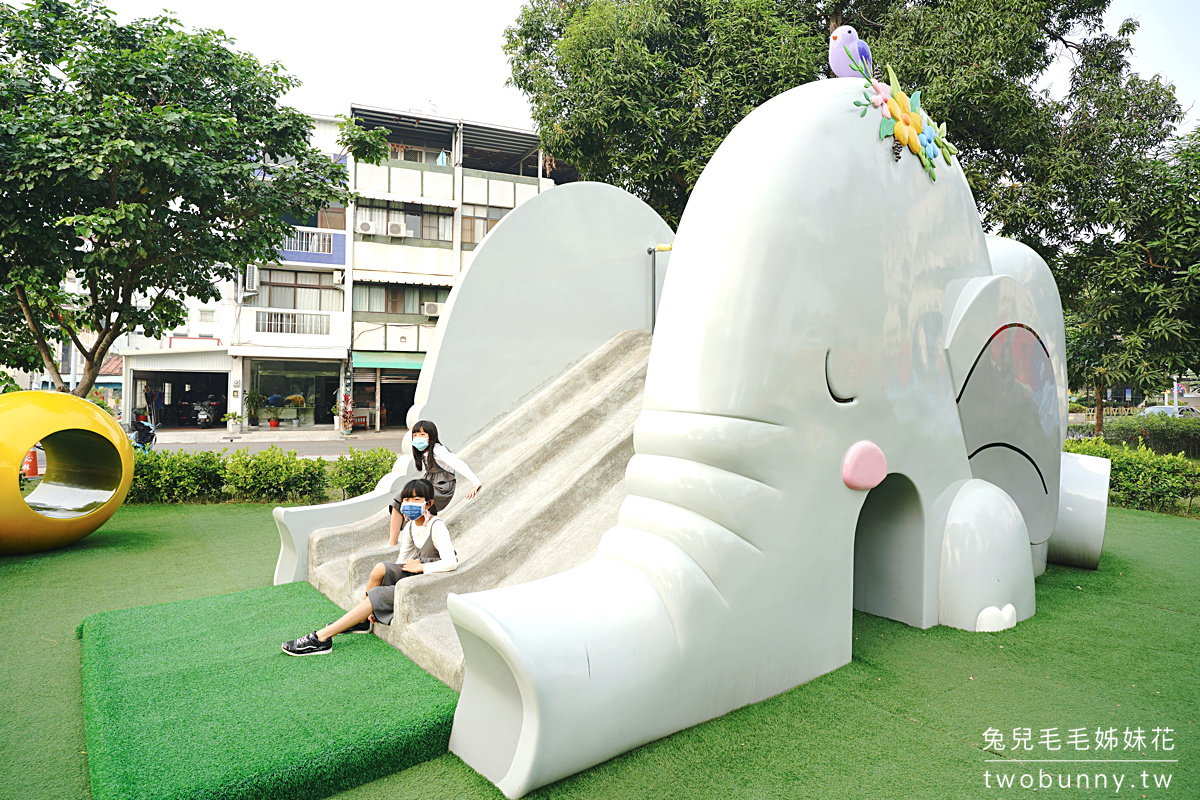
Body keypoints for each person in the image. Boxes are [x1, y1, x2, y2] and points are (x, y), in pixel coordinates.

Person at [282, 479, 456, 656]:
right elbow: (401, 560)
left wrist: (421, 568)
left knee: (378, 595)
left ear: (429, 503)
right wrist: (398, 574)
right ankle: (363, 619)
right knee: (380, 568)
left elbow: (451, 563)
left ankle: (321, 639)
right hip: (414, 572)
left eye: (417, 500)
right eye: (406, 500)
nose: (410, 504)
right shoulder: (411, 525)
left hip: (432, 580)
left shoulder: (436, 526)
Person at [409, 419, 481, 513]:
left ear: (431, 436)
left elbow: (457, 463)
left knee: (415, 497)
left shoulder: (438, 450)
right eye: (414, 435)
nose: (417, 438)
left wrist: (475, 482)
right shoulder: (423, 452)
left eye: (422, 435)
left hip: (442, 487)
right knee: (403, 497)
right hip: (430, 484)